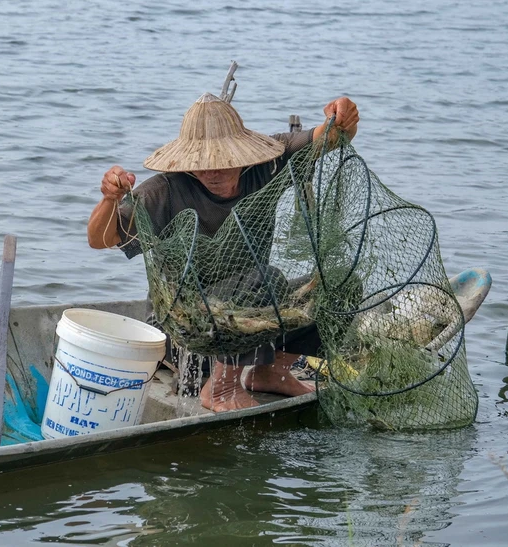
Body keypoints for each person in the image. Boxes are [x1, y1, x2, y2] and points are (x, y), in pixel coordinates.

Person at [87, 91, 359, 412]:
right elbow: (99, 239)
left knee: (340, 284)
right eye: (202, 165)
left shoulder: (269, 164)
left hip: (254, 314)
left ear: (242, 154)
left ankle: (268, 371)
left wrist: (343, 116)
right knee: (265, 280)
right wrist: (109, 199)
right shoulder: (164, 190)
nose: (212, 173)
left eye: (222, 163)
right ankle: (221, 387)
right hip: (185, 330)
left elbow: (332, 136)